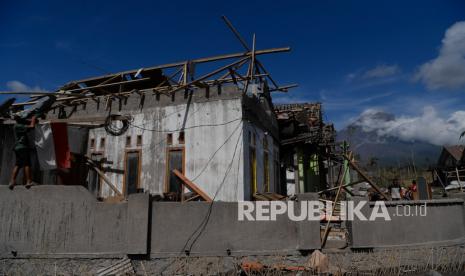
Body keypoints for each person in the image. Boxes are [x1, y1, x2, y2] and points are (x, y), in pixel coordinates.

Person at [8, 115, 38, 189]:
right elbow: (32, 126)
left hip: (18, 148)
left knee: (18, 164)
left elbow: (29, 125)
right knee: (27, 163)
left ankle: (12, 181)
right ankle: (28, 181)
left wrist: (33, 120)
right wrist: (33, 118)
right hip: (23, 147)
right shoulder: (19, 126)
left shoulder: (17, 126)